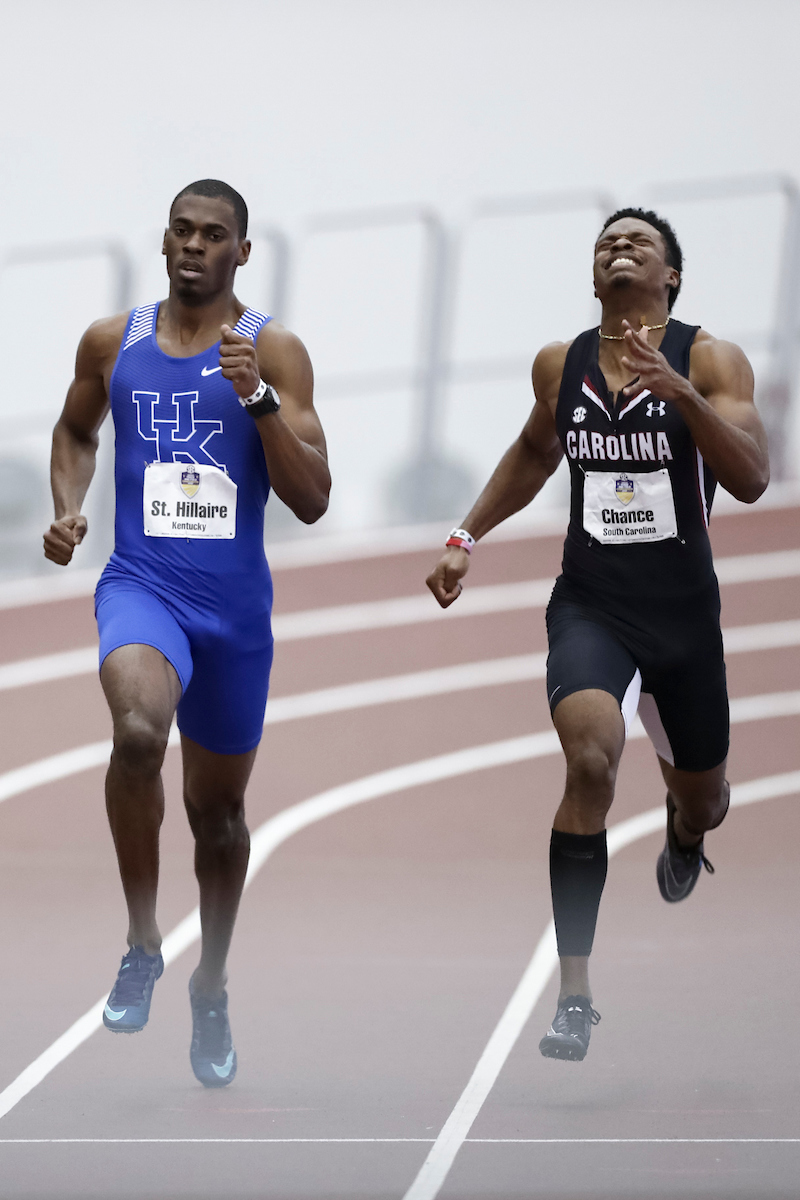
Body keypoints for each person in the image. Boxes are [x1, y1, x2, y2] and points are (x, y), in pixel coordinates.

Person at [426, 207, 769, 1062]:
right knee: (589, 759)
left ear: (671, 275)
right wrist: (466, 536)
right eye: (606, 242)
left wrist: (683, 395)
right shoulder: (564, 363)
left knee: (706, 798)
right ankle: (574, 995)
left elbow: (754, 478)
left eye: (638, 243)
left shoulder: (712, 360)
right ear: (593, 276)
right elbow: (533, 452)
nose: (619, 248)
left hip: (683, 619)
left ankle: (686, 830)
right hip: (592, 604)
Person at [44, 179, 330, 1087]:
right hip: (142, 586)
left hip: (234, 614)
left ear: (242, 253)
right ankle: (142, 944)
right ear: (163, 241)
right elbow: (75, 431)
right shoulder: (113, 342)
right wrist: (68, 507)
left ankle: (212, 984)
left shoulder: (273, 349)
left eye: (214, 235)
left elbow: (314, 498)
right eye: (181, 230)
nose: (194, 245)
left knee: (219, 818)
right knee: (137, 734)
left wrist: (260, 401)